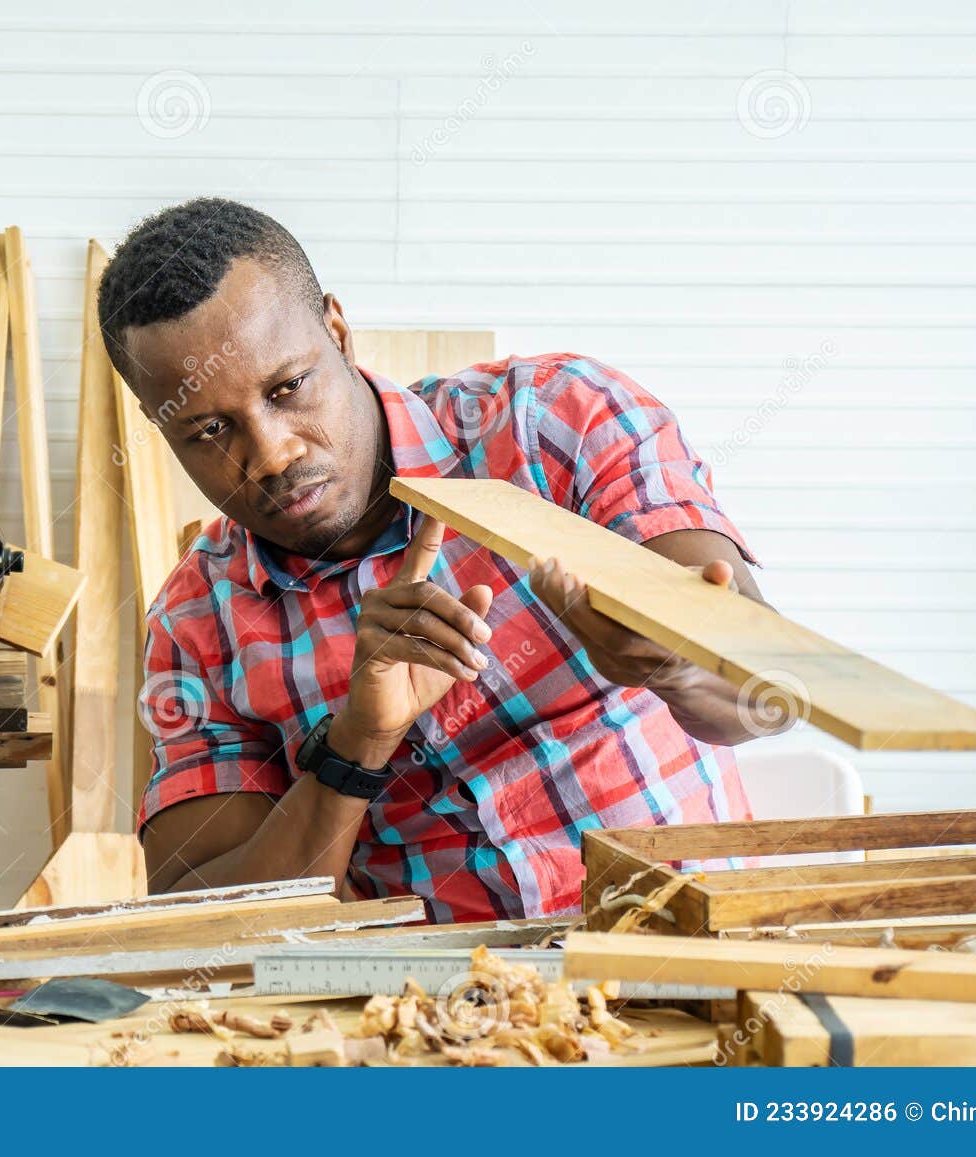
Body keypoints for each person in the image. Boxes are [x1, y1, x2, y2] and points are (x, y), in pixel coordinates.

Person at [98, 198, 773, 922]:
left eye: (288, 388)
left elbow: (769, 694)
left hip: (693, 956)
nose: (273, 453)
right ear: (158, 424)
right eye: (208, 429)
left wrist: (671, 662)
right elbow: (200, 925)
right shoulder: (200, 622)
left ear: (337, 330)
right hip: (435, 1018)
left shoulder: (556, 424)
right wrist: (357, 741)